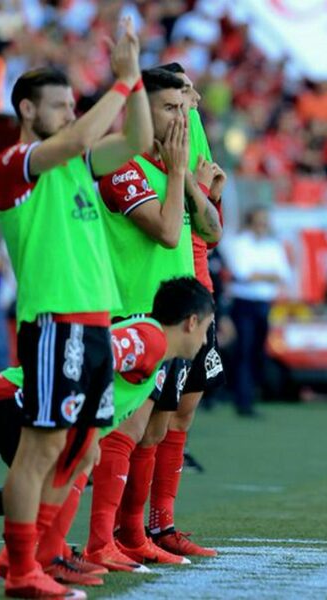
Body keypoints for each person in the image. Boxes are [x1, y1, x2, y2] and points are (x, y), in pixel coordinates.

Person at [0, 18, 152, 599]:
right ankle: (21, 566)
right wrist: (126, 81)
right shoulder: (16, 165)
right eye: (59, 105)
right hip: (56, 321)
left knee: (76, 450)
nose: (69, 113)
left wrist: (132, 90)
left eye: (71, 104)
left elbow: (134, 142)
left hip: (94, 323)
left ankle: (33, 558)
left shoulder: (78, 164)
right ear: (29, 111)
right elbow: (83, 138)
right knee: (41, 448)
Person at [0, 277, 214, 580]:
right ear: (192, 322)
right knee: (68, 465)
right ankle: (33, 558)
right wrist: (84, 423)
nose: (206, 341)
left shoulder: (154, 346)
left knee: (77, 462)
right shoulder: (150, 340)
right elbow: (96, 353)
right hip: (11, 398)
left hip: (9, 398)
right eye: (206, 329)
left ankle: (39, 554)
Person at [94, 65, 223, 566]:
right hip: (133, 317)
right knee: (125, 434)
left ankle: (143, 531)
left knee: (157, 426)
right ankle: (114, 537)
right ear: (139, 111)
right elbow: (169, 234)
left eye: (185, 105)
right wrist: (179, 177)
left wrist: (192, 184)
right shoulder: (124, 166)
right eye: (170, 106)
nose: (182, 115)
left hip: (172, 323)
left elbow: (209, 231)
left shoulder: (179, 164)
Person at [148, 61, 227, 558]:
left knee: (182, 416)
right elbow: (171, 231)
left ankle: (162, 524)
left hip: (201, 292)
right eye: (180, 96)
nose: (191, 101)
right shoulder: (142, 153)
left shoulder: (192, 133)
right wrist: (196, 190)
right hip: (164, 301)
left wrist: (209, 194)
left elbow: (211, 232)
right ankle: (129, 531)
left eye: (191, 95)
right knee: (152, 420)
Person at [225, 207, 292, 417]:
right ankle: (242, 400)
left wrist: (259, 275)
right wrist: (268, 275)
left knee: (257, 352)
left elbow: (284, 275)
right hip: (244, 303)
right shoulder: (240, 243)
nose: (262, 225)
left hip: (264, 303)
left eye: (265, 221)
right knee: (244, 351)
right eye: (259, 220)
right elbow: (243, 274)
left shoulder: (273, 245)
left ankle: (249, 396)